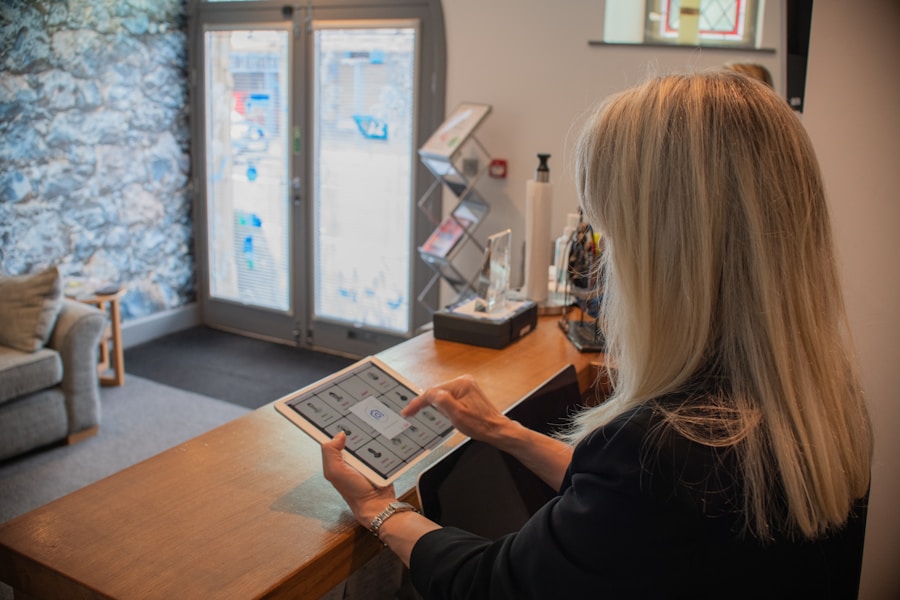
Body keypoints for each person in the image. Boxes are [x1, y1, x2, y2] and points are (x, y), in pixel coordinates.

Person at [321, 70, 872, 599]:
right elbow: (628, 511)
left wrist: (379, 510)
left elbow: (494, 585)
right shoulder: (818, 403)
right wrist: (505, 432)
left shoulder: (660, 449)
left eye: (607, 234)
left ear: (667, 253)